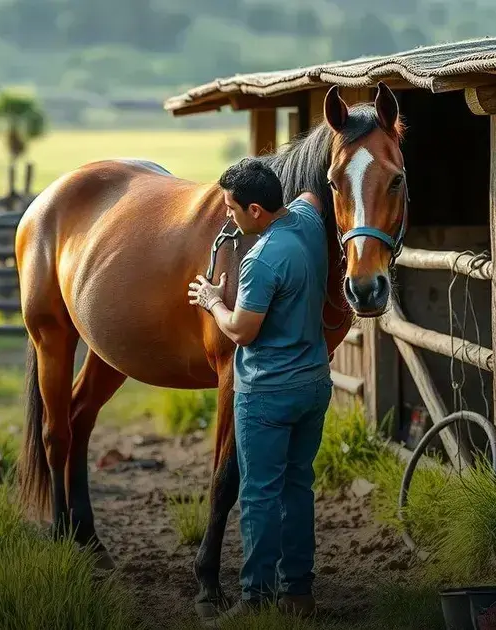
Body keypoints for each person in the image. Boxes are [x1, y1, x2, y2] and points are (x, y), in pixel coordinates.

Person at [187, 158, 333, 624]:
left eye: (232, 210)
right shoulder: (308, 223)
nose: (228, 218)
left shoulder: (261, 258)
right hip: (314, 383)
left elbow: (243, 331)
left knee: (259, 495)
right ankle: (299, 593)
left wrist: (211, 301)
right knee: (297, 486)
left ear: (255, 209)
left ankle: (254, 600)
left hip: (268, 393)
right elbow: (310, 195)